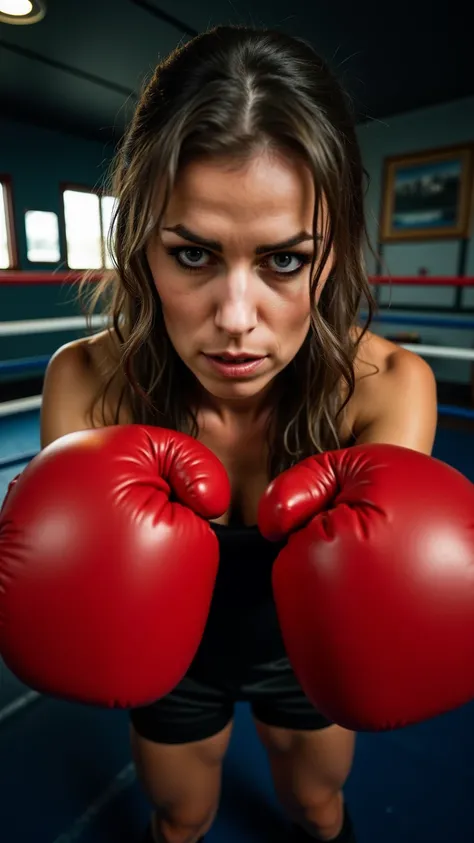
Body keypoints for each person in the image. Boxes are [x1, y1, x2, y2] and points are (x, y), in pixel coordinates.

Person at [3, 25, 443, 843]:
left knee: (317, 807)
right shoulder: (87, 381)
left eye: (284, 261)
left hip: (305, 656)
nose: (236, 321)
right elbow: (83, 593)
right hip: (175, 668)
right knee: (179, 817)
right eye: (194, 253)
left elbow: (380, 599)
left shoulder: (386, 390)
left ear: (334, 248)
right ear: (142, 243)